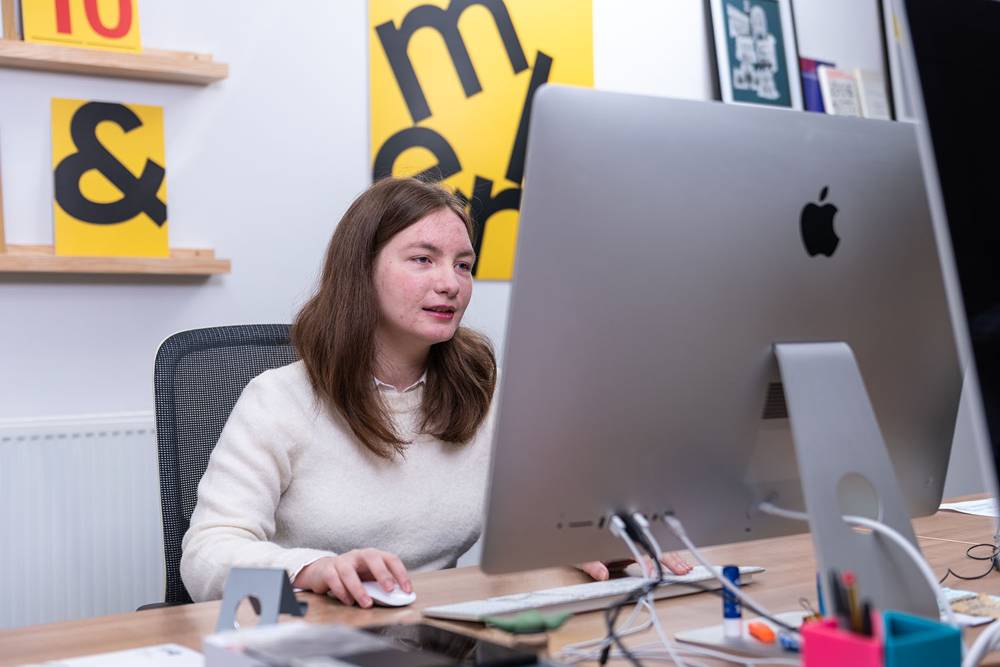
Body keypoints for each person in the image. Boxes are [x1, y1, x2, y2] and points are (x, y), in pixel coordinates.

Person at [180, 177, 691, 606]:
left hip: (440, 636)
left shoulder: (481, 391)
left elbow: (546, 517)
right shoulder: (280, 399)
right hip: (313, 638)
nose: (452, 283)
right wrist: (311, 567)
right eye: (423, 259)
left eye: (463, 265)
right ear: (360, 271)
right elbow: (206, 556)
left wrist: (592, 540)